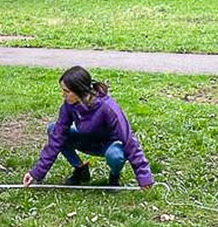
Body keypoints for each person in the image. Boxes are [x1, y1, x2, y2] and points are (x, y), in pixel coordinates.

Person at [23, 66, 154, 190]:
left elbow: (129, 141)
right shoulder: (69, 106)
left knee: (115, 156)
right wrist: (36, 173)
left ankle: (114, 177)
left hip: (110, 145)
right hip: (87, 140)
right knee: (53, 129)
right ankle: (80, 170)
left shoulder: (107, 107)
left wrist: (144, 178)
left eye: (66, 91)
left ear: (79, 90)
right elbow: (57, 138)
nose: (63, 95)